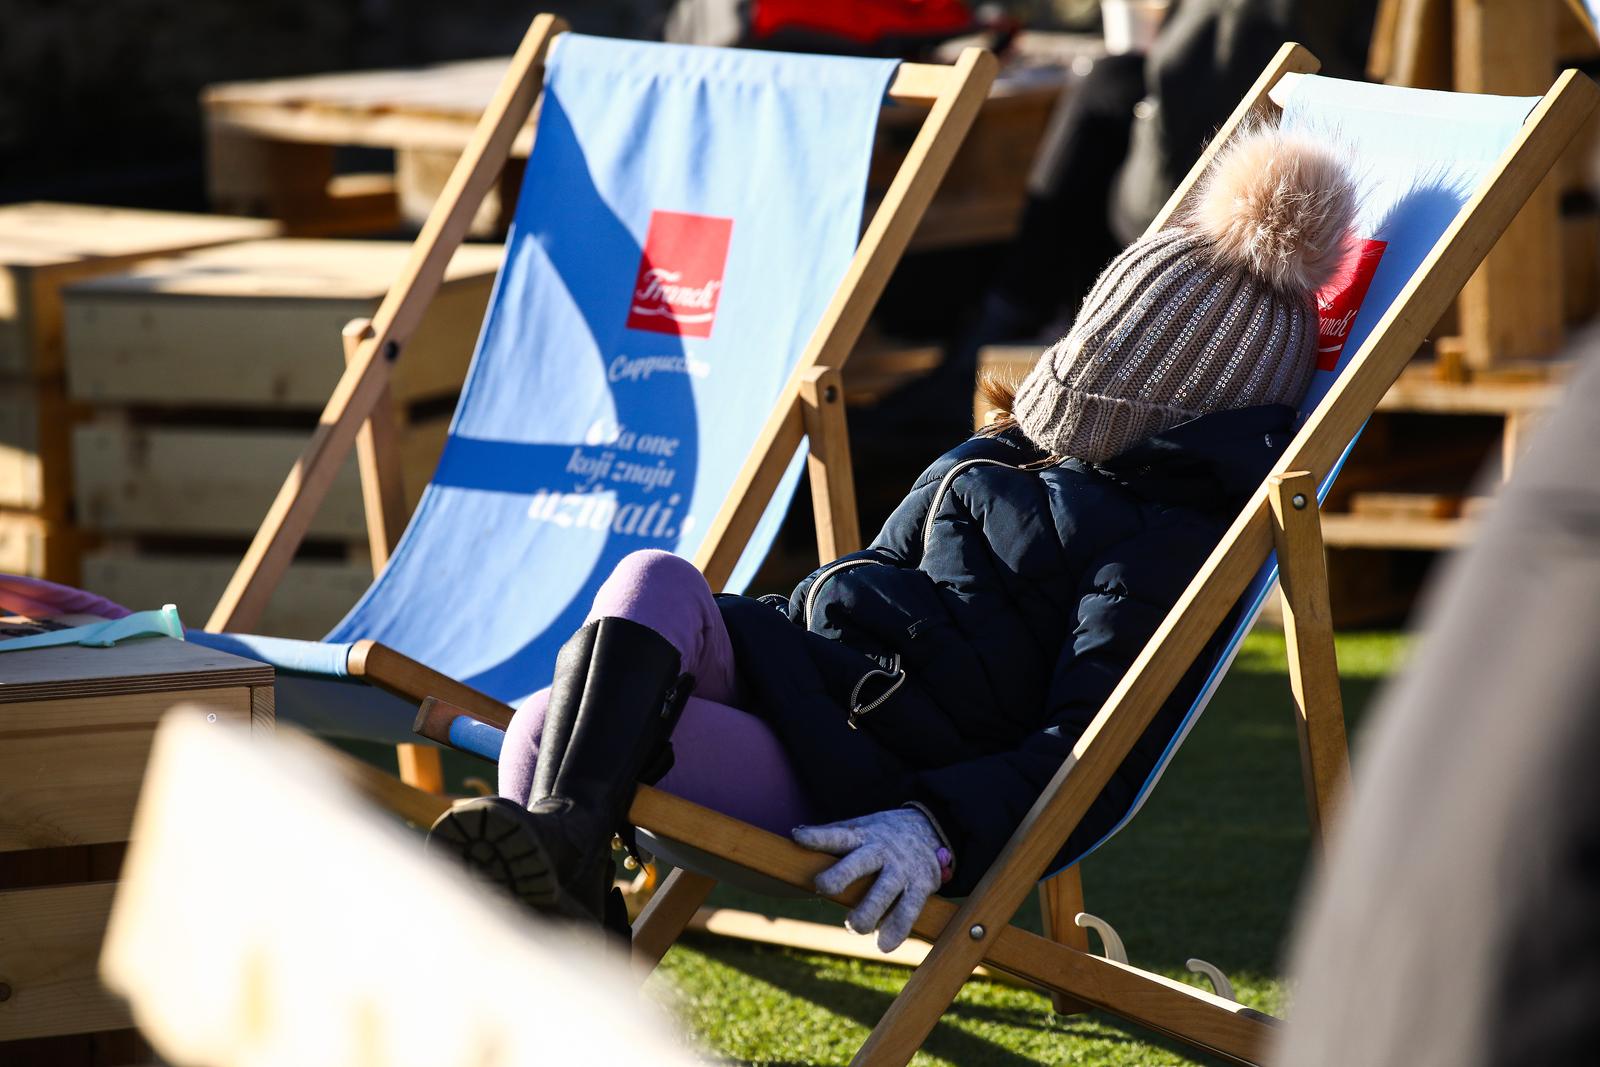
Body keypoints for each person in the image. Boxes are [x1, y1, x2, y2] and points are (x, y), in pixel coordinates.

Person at [428, 123, 1358, 949]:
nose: (1065, 376)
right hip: (813, 671)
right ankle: (570, 899)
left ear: (1172, 407)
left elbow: (1084, 754)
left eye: (1103, 367)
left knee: (555, 730)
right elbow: (873, 571)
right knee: (651, 580)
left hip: (870, 772)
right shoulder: (999, 453)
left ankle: (559, 928)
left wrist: (931, 824)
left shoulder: (1158, 549)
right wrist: (762, 637)